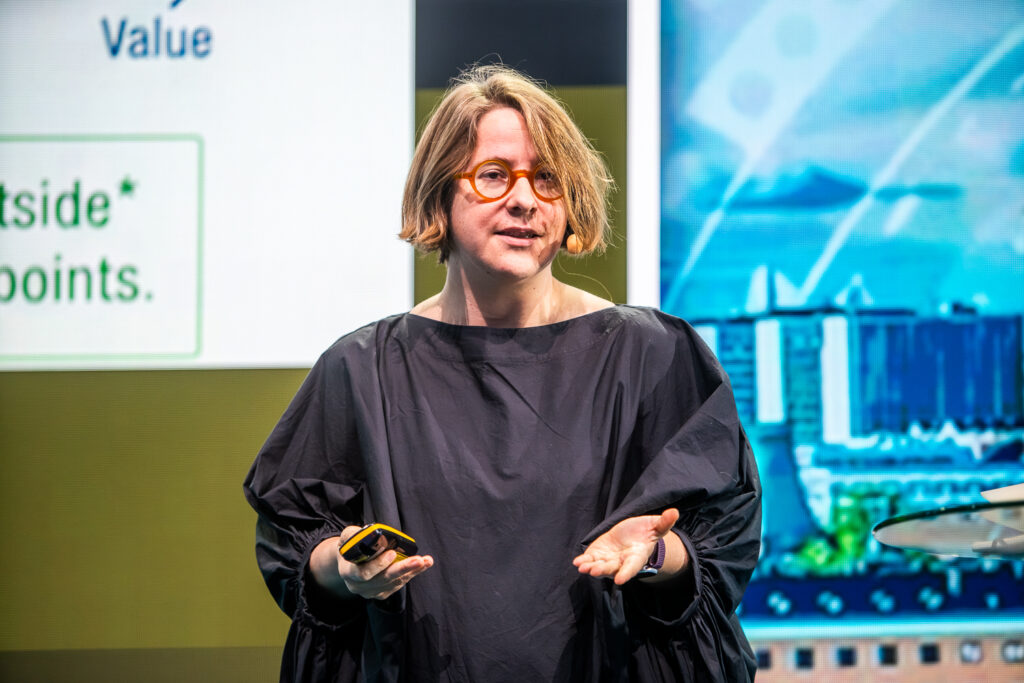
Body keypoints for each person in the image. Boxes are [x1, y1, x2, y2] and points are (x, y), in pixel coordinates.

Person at [243, 64, 761, 683]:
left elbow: (717, 544)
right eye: (494, 176)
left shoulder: (655, 355)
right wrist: (349, 567)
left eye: (548, 180)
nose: (524, 199)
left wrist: (653, 556)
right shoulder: (361, 370)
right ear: (440, 194)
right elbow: (295, 547)